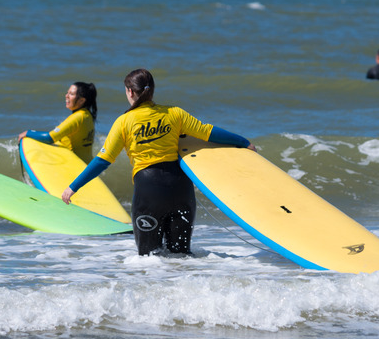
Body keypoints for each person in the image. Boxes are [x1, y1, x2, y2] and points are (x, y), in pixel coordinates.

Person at [62, 68, 255, 256]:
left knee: (149, 260)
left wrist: (73, 187)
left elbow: (103, 160)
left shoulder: (124, 121)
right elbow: (209, 132)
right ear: (151, 90)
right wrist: (244, 142)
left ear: (130, 91)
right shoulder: (175, 113)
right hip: (181, 188)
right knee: (182, 257)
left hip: (149, 192)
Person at [18, 81, 98, 163]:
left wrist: (28, 133)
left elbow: (50, 138)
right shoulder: (87, 115)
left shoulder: (77, 118)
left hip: (76, 165)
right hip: (87, 164)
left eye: (71, 94)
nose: (66, 96)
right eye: (67, 93)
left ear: (81, 100)